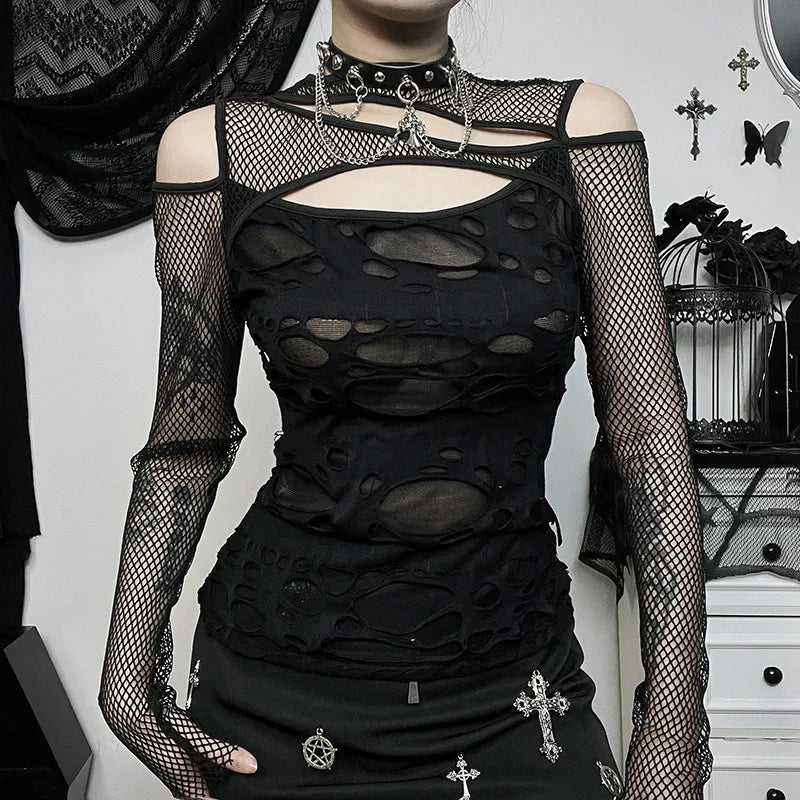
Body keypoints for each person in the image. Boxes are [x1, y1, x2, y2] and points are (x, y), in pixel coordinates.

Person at [97, 1, 713, 798]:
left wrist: (671, 739)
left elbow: (647, 439)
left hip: (518, 693)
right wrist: (126, 681)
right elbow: (188, 438)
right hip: (275, 698)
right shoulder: (210, 149)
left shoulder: (583, 132)